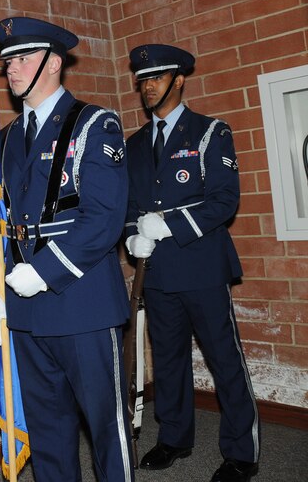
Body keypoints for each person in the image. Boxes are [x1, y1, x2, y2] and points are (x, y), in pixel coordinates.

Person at [0, 17, 134, 481]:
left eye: (23, 58)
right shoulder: (3, 139)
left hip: (81, 302)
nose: (11, 69)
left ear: (54, 62)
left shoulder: (93, 124)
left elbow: (103, 218)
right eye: (7, 61)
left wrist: (44, 271)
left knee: (106, 426)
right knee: (48, 433)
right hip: (23, 310)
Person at [123, 44, 259, 482]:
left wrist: (167, 225)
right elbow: (130, 205)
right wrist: (131, 235)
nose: (148, 87)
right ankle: (175, 438)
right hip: (159, 274)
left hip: (201, 268)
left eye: (157, 78)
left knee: (224, 359)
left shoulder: (209, 132)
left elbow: (225, 200)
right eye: (142, 80)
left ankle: (242, 452)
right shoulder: (135, 144)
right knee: (168, 360)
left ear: (178, 80)